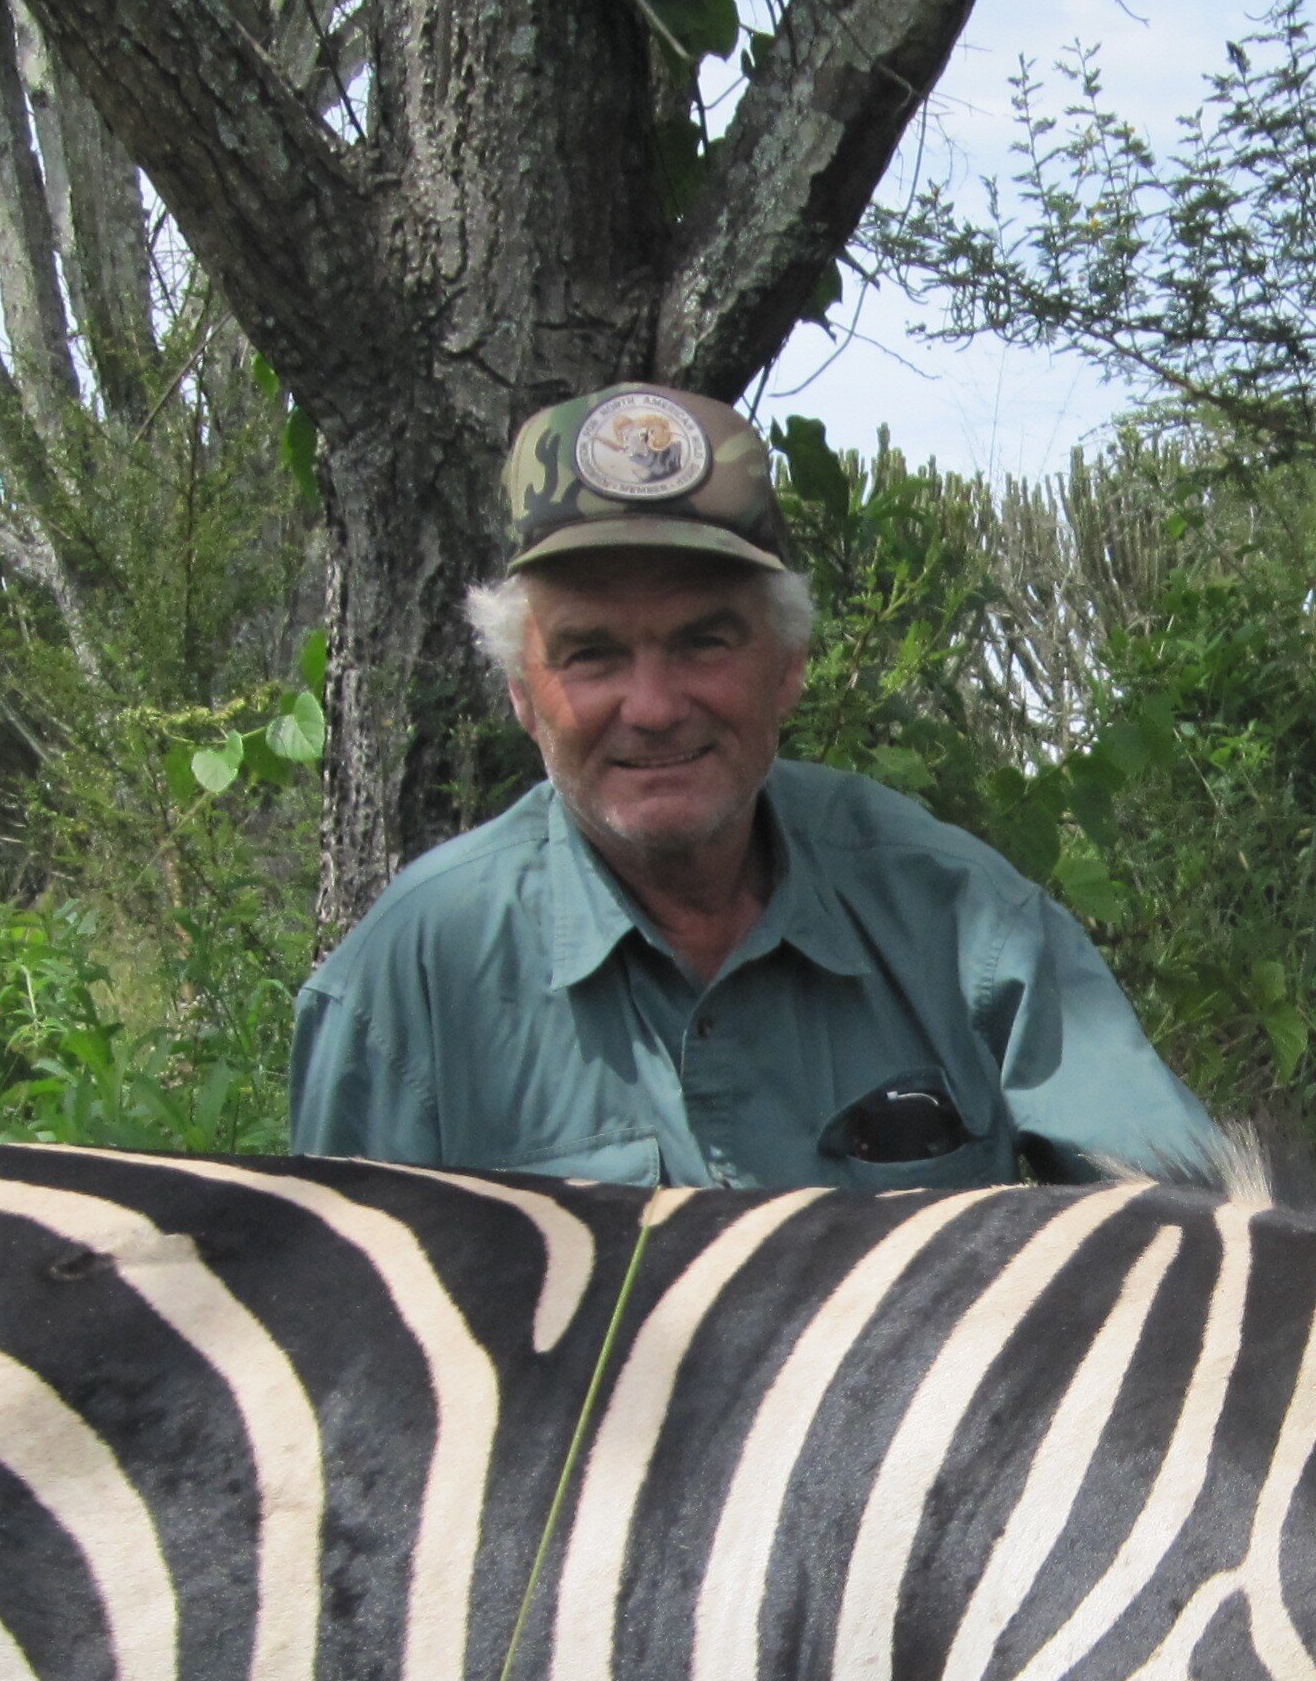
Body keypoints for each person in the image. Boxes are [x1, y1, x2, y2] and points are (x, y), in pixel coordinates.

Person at [288, 383, 1215, 1190]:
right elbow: (349, 1368)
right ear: (524, 695)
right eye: (592, 654)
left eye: (705, 641)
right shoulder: (407, 985)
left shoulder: (956, 918)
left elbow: (1200, 1232)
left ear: (789, 668)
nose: (651, 707)